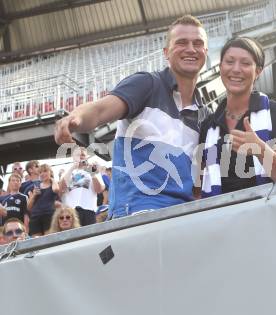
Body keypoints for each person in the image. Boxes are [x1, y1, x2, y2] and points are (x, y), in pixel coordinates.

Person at [54, 15, 210, 218]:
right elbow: (100, 110)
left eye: (198, 43)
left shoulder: (205, 116)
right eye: (181, 42)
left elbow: (199, 181)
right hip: (138, 212)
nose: (191, 49)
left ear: (205, 52)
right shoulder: (146, 84)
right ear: (166, 52)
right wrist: (74, 119)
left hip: (184, 215)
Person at [199, 37, 276, 197]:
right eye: (229, 62)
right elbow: (199, 184)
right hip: (221, 217)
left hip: (268, 213)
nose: (236, 69)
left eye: (245, 63)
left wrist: (260, 149)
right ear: (220, 67)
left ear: (258, 71)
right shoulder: (208, 126)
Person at [59, 147, 104, 226]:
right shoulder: (66, 171)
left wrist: (92, 173)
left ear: (87, 157)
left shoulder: (93, 170)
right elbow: (61, 188)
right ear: (73, 157)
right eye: (77, 155)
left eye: (83, 155)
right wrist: (73, 167)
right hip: (71, 212)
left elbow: (99, 189)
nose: (80, 156)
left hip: (89, 210)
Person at [27, 164, 59, 236]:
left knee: (50, 240)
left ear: (50, 172)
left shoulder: (53, 184)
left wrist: (51, 179)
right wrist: (34, 195)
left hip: (49, 215)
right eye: (40, 172)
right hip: (35, 217)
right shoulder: (35, 186)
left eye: (45, 171)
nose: (42, 174)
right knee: (37, 243)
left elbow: (56, 189)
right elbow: (28, 207)